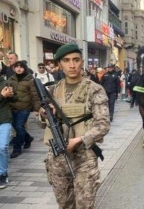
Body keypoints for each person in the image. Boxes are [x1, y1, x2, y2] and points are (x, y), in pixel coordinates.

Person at [39, 43, 110, 208]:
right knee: (64, 204)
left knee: (84, 204)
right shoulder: (53, 91)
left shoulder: (94, 90)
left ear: (82, 61)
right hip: (58, 158)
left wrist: (78, 140)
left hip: (84, 157)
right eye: (66, 60)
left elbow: (103, 124)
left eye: (76, 60)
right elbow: (43, 124)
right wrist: (43, 115)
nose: (72, 65)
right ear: (60, 64)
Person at [8, 61, 40, 158]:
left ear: (24, 68)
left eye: (21, 67)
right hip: (12, 107)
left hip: (24, 108)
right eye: (16, 67)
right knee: (18, 127)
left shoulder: (30, 80)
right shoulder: (10, 79)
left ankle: (17, 148)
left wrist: (37, 109)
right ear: (14, 68)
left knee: (19, 126)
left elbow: (35, 95)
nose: (18, 69)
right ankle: (28, 138)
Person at [0, 76, 17, 188]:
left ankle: (2, 173)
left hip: (4, 119)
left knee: (3, 146)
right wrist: (2, 96)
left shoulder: (5, 82)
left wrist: (12, 95)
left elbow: (16, 99)